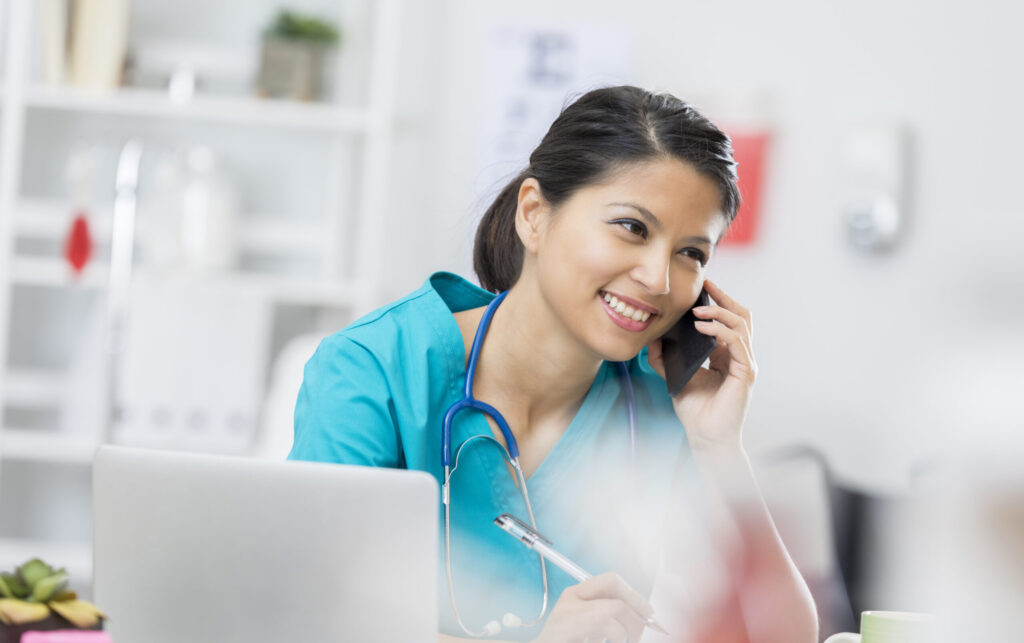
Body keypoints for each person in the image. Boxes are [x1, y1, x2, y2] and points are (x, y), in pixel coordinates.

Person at [289, 85, 817, 642]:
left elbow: (783, 638)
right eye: (632, 227)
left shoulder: (663, 405)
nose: (658, 280)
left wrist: (718, 447)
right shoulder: (374, 372)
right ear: (535, 215)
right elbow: (307, 621)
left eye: (691, 254)